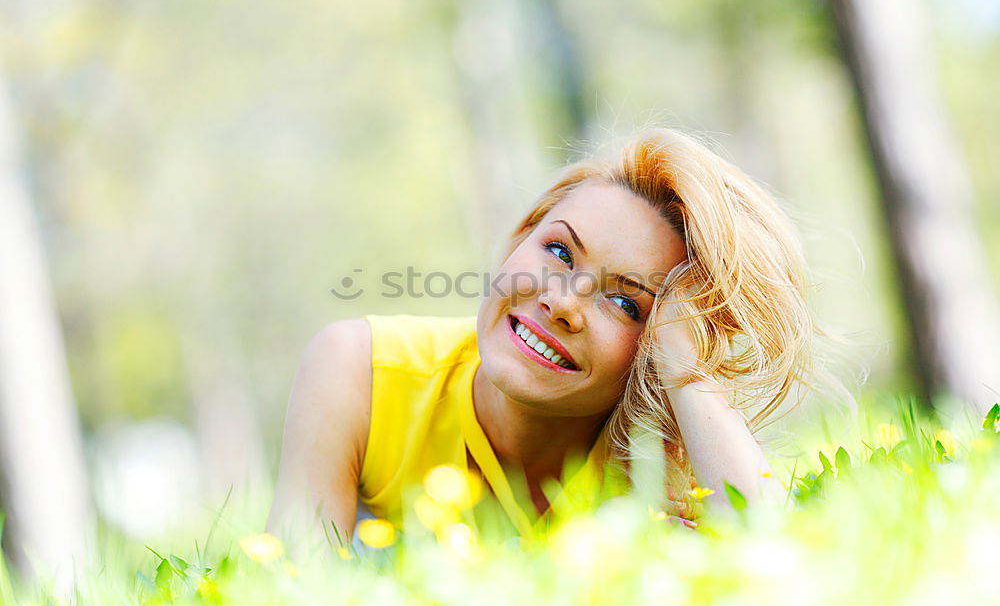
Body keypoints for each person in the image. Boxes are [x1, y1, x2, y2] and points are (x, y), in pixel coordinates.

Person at [267, 128, 817, 543]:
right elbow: (291, 589)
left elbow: (771, 558)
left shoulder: (661, 468)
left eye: (625, 303)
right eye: (558, 251)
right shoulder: (361, 371)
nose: (561, 303)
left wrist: (686, 369)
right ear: (517, 240)